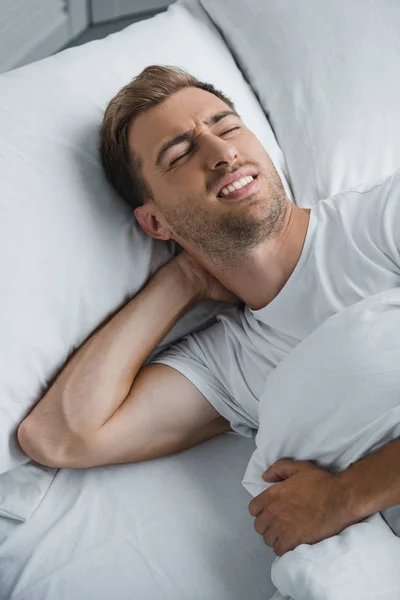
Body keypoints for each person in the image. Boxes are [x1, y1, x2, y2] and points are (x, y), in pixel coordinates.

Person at [17, 65, 400, 557]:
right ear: (155, 222)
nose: (222, 154)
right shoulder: (232, 364)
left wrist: (341, 498)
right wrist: (182, 281)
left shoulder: (382, 221)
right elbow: (60, 436)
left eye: (227, 127)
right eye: (179, 154)